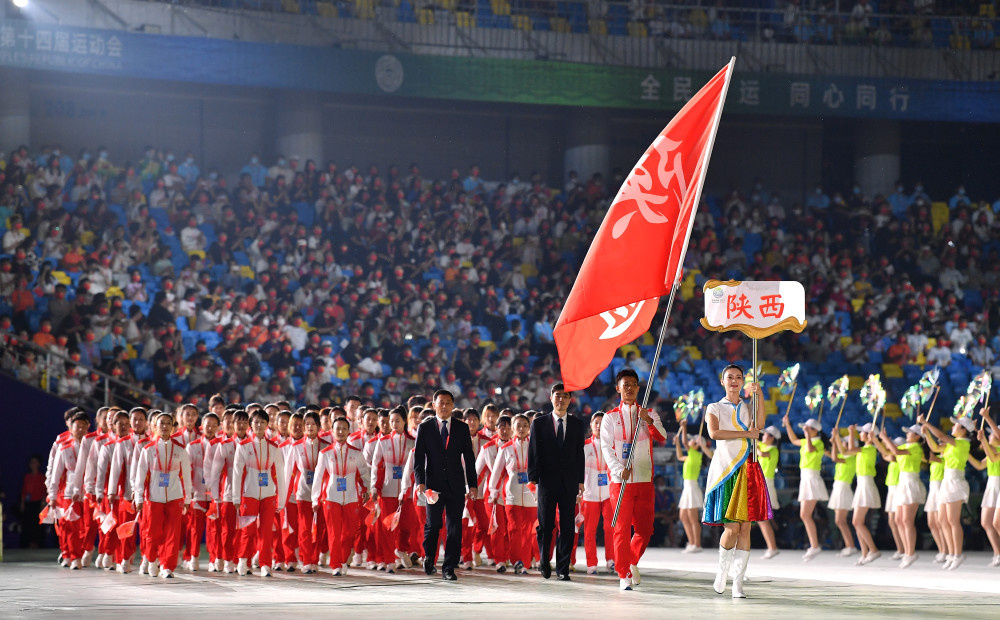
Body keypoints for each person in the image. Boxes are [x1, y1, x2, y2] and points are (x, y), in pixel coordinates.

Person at [703, 364, 766, 599]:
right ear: (722, 381)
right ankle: (722, 573)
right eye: (730, 377)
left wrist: (761, 396)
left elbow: (758, 426)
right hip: (725, 468)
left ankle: (738, 584)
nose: (734, 381)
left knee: (746, 527)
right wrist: (746, 434)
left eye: (739, 377)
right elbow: (714, 433)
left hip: (746, 468)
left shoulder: (749, 406)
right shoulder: (714, 407)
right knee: (732, 527)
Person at [600, 368, 667, 591]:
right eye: (624, 384)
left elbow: (663, 438)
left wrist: (648, 421)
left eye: (633, 384)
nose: (629, 388)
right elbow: (606, 449)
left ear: (639, 388)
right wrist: (619, 470)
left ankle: (631, 560)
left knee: (645, 530)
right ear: (617, 388)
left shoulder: (649, 413)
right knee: (621, 530)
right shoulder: (609, 418)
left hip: (644, 480)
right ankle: (623, 573)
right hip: (621, 482)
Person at [413, 389, 478, 581]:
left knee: (454, 528)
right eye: (440, 402)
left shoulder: (461, 428)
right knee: (433, 526)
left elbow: (469, 458)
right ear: (434, 405)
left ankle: (449, 567)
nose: (444, 406)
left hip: (456, 486)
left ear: (453, 405)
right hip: (433, 486)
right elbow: (418, 459)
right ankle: (429, 558)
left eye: (448, 402)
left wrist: (472, 484)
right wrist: (420, 482)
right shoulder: (425, 428)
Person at [528, 383, 585, 581]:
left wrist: (580, 479)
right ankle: (544, 560)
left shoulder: (577, 424)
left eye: (565, 396)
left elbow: (580, 454)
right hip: (546, 481)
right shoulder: (539, 423)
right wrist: (533, 477)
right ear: (551, 398)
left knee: (568, 527)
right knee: (545, 525)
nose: (561, 399)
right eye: (558, 395)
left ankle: (563, 568)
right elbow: (533, 450)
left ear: (570, 400)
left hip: (569, 482)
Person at [133, 411, 193, 579]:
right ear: (155, 427)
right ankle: (151, 561)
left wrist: (187, 498)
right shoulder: (148, 449)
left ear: (173, 427)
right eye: (162, 423)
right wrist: (138, 498)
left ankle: (167, 565)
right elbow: (140, 476)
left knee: (172, 534)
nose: (165, 426)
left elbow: (186, 476)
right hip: (153, 498)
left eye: (168, 423)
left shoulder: (181, 450)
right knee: (152, 533)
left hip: (175, 498)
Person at [312, 416, 371, 576]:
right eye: (337, 428)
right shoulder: (325, 453)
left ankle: (343, 559)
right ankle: (336, 564)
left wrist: (367, 490)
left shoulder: (356, 453)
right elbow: (318, 477)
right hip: (331, 497)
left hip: (352, 497)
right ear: (332, 431)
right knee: (333, 532)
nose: (340, 431)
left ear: (348, 431)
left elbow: (365, 474)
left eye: (344, 428)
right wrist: (315, 498)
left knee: (349, 533)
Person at [233, 409, 287, 577]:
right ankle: (244, 561)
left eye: (262, 422)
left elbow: (280, 473)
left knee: (266, 531)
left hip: (269, 494)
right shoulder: (243, 446)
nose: (259, 425)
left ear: (267, 425)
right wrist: (236, 497)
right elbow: (236, 472)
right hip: (249, 493)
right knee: (247, 530)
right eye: (255, 422)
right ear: (251, 425)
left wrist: (282, 499)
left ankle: (265, 564)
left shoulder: (274, 447)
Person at [922, 414, 977, 570]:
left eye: (956, 425)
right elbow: (934, 448)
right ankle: (951, 553)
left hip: (955, 482)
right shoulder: (952, 445)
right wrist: (926, 433)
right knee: (943, 520)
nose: (952, 427)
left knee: (953, 520)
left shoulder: (962, 443)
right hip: (946, 482)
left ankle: (958, 554)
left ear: (964, 430)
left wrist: (926, 422)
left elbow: (940, 435)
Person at [490, 413, 537, 575]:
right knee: (514, 529)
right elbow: (496, 473)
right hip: (512, 494)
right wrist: (493, 492)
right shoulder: (506, 448)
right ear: (513, 428)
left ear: (529, 428)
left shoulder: (536, 446)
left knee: (528, 530)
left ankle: (524, 561)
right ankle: (517, 561)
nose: (522, 429)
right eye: (518, 426)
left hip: (532, 496)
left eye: (525, 425)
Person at [879, 425, 926, 568]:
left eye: (910, 433)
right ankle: (907, 552)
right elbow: (889, 453)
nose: (907, 434)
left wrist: (885, 439)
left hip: (911, 483)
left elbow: (896, 451)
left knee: (907, 520)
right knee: (899, 520)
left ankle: (911, 552)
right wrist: (881, 440)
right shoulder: (907, 447)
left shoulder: (915, 448)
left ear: (918, 436)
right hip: (902, 484)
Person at [782, 415, 828, 561]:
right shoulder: (805, 441)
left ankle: (814, 546)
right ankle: (814, 545)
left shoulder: (819, 443)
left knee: (805, 515)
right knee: (805, 515)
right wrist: (788, 425)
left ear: (815, 431)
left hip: (812, 479)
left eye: (808, 428)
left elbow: (810, 448)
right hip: (805, 478)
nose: (805, 430)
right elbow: (794, 440)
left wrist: (807, 436)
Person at [843, 423, 882, 565]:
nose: (860, 435)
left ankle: (873, 550)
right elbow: (848, 451)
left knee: (857, 522)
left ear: (869, 436)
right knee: (856, 522)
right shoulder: (864, 449)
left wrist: (851, 432)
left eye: (862, 433)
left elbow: (851, 448)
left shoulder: (870, 449)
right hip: (861, 484)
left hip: (866, 484)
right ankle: (865, 553)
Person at [581, 412, 615, 574]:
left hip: (609, 493)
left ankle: (611, 560)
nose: (599, 426)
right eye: (596, 423)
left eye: (602, 423)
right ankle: (591, 563)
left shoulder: (613, 445)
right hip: (589, 494)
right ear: (591, 425)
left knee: (610, 528)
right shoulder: (584, 445)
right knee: (590, 530)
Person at [675, 425, 711, 553]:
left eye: (694, 441)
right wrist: (677, 444)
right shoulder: (691, 456)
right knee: (683, 517)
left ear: (697, 445)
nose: (690, 442)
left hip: (692, 488)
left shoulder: (696, 454)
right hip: (687, 488)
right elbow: (680, 457)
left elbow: (684, 442)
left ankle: (697, 544)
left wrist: (684, 427)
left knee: (692, 518)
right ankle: (691, 543)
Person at [828, 425, 858, 558]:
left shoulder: (851, 457)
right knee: (839, 521)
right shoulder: (844, 456)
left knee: (841, 520)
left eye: (845, 442)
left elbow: (836, 456)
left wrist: (836, 438)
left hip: (844, 488)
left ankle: (851, 546)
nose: (844, 444)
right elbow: (834, 456)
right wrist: (835, 441)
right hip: (838, 487)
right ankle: (849, 545)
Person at [756, 425, 782, 559]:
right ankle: (771, 547)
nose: (763, 436)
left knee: (763, 519)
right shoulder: (764, 446)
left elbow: (761, 453)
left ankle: (772, 548)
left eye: (766, 434)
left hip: (766, 483)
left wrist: (755, 442)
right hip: (760, 482)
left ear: (772, 438)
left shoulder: (773, 449)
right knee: (761, 519)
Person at [978, 412, 1000, 567]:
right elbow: (980, 465)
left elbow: (993, 457)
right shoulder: (993, 451)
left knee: (997, 522)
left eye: (992, 434)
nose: (990, 435)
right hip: (992, 485)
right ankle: (997, 553)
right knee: (988, 522)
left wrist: (987, 417)